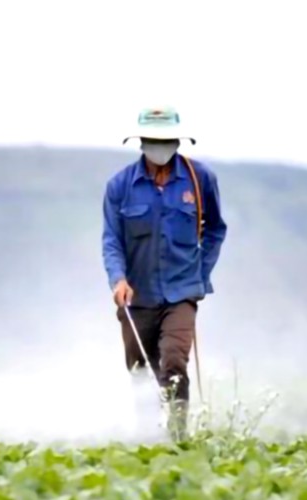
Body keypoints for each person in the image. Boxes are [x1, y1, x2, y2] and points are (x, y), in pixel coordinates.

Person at [101, 106, 228, 439]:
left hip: (181, 292)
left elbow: (215, 229)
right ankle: (147, 436)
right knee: (140, 370)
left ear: (177, 140)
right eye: (153, 140)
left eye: (166, 140)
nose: (160, 146)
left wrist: (200, 272)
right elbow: (111, 239)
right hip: (137, 296)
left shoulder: (200, 180)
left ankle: (176, 437)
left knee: (173, 363)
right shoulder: (120, 186)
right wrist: (119, 279)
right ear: (141, 141)